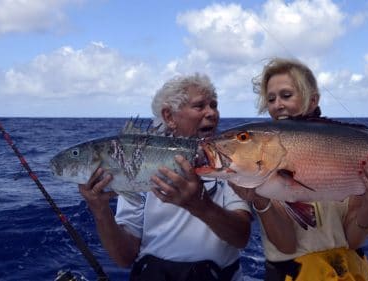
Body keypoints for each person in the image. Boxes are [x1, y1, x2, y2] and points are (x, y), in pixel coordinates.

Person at [231, 57, 368, 281]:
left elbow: (354, 240)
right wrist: (260, 201)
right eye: (271, 99)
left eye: (286, 95)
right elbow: (287, 245)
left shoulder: (344, 151)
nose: (277, 104)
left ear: (312, 100)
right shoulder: (265, 163)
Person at [78, 73, 251, 281]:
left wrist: (199, 205)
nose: (212, 113)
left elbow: (241, 236)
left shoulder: (232, 161)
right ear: (169, 116)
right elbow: (124, 257)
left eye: (214, 105)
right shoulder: (135, 165)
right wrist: (100, 210)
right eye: (200, 106)